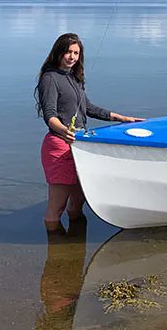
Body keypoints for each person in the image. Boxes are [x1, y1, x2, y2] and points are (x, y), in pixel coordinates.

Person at [35, 33, 144, 233]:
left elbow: (88, 107)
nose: (72, 56)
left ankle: (75, 253)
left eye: (76, 53)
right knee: (56, 208)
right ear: (58, 52)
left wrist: (121, 118)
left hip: (79, 146)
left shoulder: (74, 78)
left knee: (77, 205)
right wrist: (64, 130)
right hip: (59, 146)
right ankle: (56, 254)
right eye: (68, 52)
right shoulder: (50, 78)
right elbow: (49, 115)